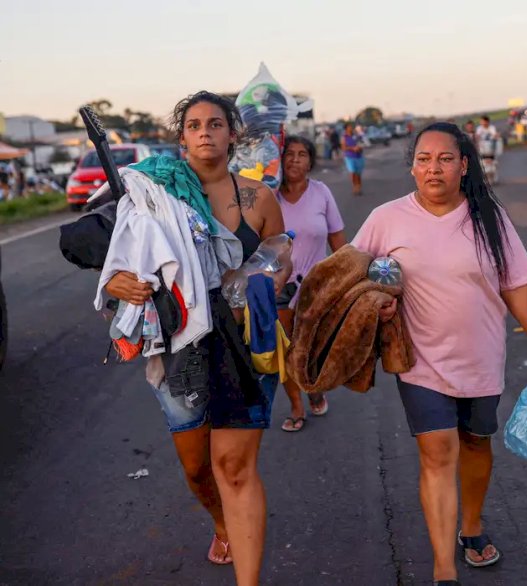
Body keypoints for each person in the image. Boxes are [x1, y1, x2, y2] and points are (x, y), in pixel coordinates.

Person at [351, 122, 527, 586]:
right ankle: (444, 568)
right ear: (412, 167)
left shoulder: (489, 217)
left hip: (482, 357)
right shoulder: (388, 218)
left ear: (464, 166)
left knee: (475, 442)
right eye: (424, 159)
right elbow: (351, 274)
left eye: (445, 158)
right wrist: (374, 303)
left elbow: (516, 285)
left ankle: (472, 525)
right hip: (420, 361)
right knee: (438, 452)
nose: (434, 168)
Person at [104, 91, 290, 585]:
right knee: (196, 468)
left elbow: (279, 248)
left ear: (233, 133)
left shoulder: (259, 197)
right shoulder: (151, 195)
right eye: (194, 124)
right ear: (182, 137)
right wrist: (115, 281)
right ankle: (220, 520)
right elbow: (114, 253)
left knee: (233, 465)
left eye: (215, 123)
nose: (205, 131)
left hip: (246, 344)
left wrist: (272, 276)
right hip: (181, 345)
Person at [276, 135, 347, 432]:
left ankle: (314, 385)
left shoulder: (321, 193)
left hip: (315, 287)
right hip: (278, 286)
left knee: (312, 348)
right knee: (286, 349)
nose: (295, 159)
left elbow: (339, 242)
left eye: (302, 154)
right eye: (289, 154)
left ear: (310, 161)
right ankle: (296, 406)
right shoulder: (268, 194)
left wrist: (346, 280)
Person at [474, 116, 500, 184]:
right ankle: (486, 178)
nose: (483, 123)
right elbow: (477, 136)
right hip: (483, 148)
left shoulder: (492, 128)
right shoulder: (479, 128)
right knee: (483, 164)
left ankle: (494, 176)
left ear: (487, 122)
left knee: (494, 163)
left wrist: (495, 137)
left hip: (491, 148)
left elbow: (495, 135)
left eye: (484, 122)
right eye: (481, 122)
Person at [342, 123, 365, 195]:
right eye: (349, 127)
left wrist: (360, 147)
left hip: (358, 156)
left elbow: (362, 143)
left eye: (351, 127)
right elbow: (343, 148)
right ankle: (355, 187)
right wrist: (352, 148)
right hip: (349, 157)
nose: (351, 128)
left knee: (358, 174)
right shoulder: (344, 137)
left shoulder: (356, 136)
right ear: (346, 129)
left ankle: (358, 187)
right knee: (352, 172)